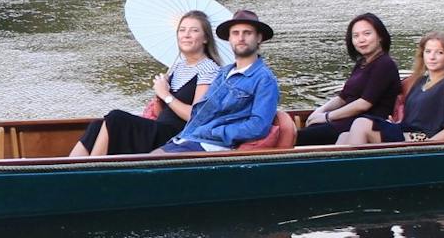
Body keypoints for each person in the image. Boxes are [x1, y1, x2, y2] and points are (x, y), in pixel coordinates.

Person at [69, 10, 223, 156]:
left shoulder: (209, 68)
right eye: (182, 30)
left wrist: (167, 95)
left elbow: (196, 117)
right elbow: (158, 113)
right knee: (97, 125)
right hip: (159, 127)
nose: (186, 35)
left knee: (116, 118)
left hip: (176, 136)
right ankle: (70, 172)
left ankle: (93, 172)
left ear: (205, 38)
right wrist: (159, 96)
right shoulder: (178, 66)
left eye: (194, 30)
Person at [160, 9, 279, 153]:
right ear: (229, 39)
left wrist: (216, 132)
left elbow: (258, 126)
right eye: (235, 33)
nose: (241, 38)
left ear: (259, 38)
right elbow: (203, 111)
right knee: (150, 156)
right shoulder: (223, 73)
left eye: (247, 33)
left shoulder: (264, 79)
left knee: (148, 163)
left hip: (215, 145)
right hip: (192, 137)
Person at [298, 13, 399, 147]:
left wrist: (327, 117)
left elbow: (364, 104)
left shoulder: (385, 64)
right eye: (356, 36)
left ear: (380, 36)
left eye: (367, 34)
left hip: (367, 123)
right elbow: (343, 97)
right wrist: (319, 111)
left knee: (300, 137)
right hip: (346, 120)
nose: (361, 40)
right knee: (309, 127)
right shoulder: (362, 63)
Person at [351, 32, 444, 145]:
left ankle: (356, 164)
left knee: (361, 124)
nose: (432, 57)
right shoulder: (420, 81)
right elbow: (414, 119)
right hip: (406, 130)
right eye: (428, 51)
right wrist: (395, 124)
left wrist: (425, 147)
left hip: (423, 139)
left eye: (440, 53)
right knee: (345, 135)